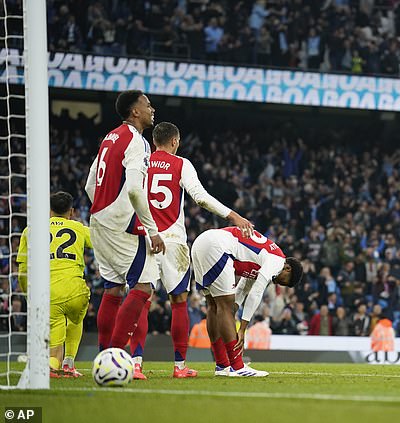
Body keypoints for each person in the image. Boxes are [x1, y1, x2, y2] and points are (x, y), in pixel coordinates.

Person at [125, 122, 254, 379]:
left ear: (154, 141)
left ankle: (136, 364)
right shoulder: (181, 164)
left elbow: (128, 193)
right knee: (179, 303)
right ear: (175, 141)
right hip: (173, 240)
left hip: (145, 237)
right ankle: (179, 366)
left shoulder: (141, 161)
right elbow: (201, 197)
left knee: (141, 302)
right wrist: (232, 215)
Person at [84, 90, 165, 360]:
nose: (152, 108)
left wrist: (104, 208)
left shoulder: (110, 137)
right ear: (135, 112)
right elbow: (133, 190)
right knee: (143, 287)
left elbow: (89, 183)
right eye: (148, 104)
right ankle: (115, 357)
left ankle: (103, 355)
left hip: (98, 219)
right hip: (121, 225)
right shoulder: (137, 141)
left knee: (113, 287)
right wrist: (152, 230)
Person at [191, 227, 303, 377]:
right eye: (283, 282)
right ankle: (237, 367)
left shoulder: (261, 259)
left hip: (201, 243)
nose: (277, 283)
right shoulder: (277, 261)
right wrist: (242, 328)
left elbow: (244, 287)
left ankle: (222, 365)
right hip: (218, 246)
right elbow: (256, 292)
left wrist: (233, 311)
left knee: (213, 305)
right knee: (224, 306)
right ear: (287, 268)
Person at [17, 191, 91, 378]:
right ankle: (69, 363)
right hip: (76, 289)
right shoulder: (79, 228)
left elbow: (23, 270)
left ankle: (52, 363)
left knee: (54, 335)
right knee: (76, 319)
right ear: (71, 211)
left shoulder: (30, 230)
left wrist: (28, 295)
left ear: (48, 210)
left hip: (49, 292)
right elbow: (102, 244)